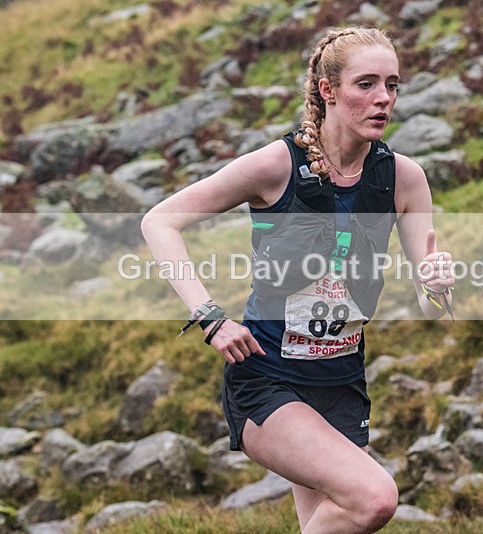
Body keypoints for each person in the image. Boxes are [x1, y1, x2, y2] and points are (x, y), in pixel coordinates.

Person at [141, 26, 454, 533]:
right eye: (366, 84)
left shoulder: (403, 178)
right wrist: (209, 316)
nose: (383, 99)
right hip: (268, 379)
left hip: (341, 382)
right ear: (328, 90)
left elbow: (428, 304)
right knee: (374, 498)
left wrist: (436, 286)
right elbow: (160, 221)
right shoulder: (275, 166)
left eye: (392, 85)